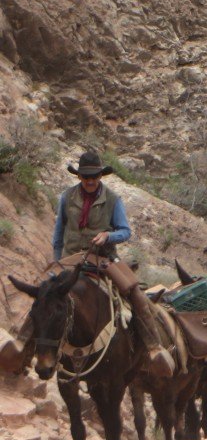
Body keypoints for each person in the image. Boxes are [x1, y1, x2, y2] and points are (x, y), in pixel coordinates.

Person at [24, 151, 175, 376]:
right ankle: (22, 348)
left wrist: (107, 236)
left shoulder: (114, 200)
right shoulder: (66, 197)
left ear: (101, 175)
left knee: (135, 293)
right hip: (70, 259)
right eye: (86, 177)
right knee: (43, 296)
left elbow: (125, 231)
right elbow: (58, 235)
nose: (90, 180)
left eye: (94, 176)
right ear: (79, 177)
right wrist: (57, 262)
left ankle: (154, 348)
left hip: (103, 259)